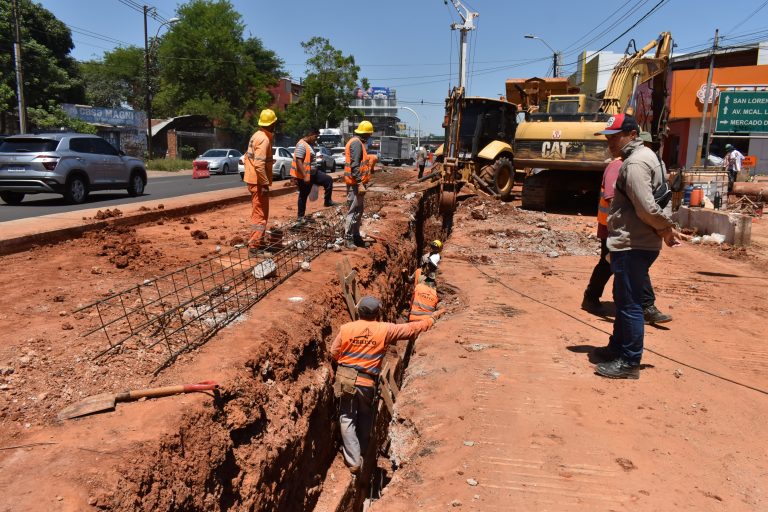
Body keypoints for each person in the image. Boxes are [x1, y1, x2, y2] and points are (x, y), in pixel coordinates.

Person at [592, 114, 682, 379]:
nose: (610, 141)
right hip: (636, 240)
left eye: (614, 136)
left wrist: (665, 229)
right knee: (623, 298)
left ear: (632, 134)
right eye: (608, 136)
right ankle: (617, 347)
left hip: (633, 241)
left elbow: (646, 206)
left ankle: (629, 362)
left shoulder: (635, 164)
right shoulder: (649, 157)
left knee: (630, 303)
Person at [330, 296, 442, 473]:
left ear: (359, 311)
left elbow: (334, 352)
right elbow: (411, 329)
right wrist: (432, 319)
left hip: (346, 378)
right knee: (366, 416)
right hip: (367, 382)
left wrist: (347, 362)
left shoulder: (346, 329)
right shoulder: (385, 329)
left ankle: (353, 461)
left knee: (347, 417)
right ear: (378, 313)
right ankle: (364, 450)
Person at [582, 132, 672, 325]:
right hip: (614, 227)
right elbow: (613, 196)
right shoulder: (620, 166)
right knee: (611, 265)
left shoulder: (637, 164)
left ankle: (594, 297)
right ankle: (644, 306)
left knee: (621, 266)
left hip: (622, 227)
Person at [243, 109, 277, 256]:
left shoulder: (257, 135)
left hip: (253, 179)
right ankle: (254, 247)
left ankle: (258, 243)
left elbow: (249, 157)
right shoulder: (264, 139)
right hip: (258, 182)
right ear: (272, 124)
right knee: (260, 216)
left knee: (260, 213)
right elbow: (258, 164)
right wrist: (264, 184)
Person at [290, 127, 339, 224]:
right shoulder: (301, 145)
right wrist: (305, 176)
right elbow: (299, 161)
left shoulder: (308, 145)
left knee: (328, 180)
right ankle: (300, 217)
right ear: (310, 134)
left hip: (314, 173)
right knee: (303, 196)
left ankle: (327, 201)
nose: (316, 139)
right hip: (306, 175)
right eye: (315, 137)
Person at [343, 120, 377, 249]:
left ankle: (356, 236)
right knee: (354, 211)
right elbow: (354, 165)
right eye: (369, 134)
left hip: (356, 183)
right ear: (366, 134)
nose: (369, 137)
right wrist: (359, 183)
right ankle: (349, 238)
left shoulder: (357, 142)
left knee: (359, 210)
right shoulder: (356, 144)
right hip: (355, 184)